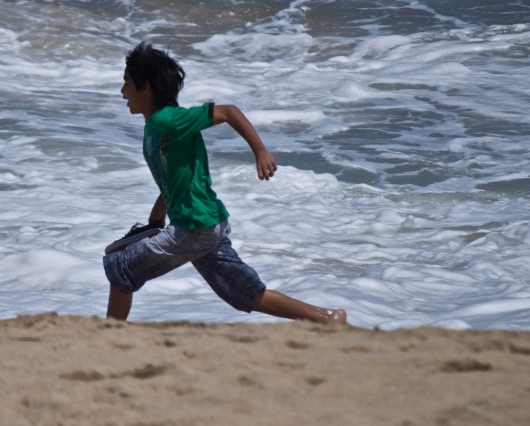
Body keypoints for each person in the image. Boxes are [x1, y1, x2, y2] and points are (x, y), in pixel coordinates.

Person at [103, 42, 347, 325]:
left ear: (145, 88)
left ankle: (110, 334)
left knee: (121, 267)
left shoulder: (172, 119)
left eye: (127, 84)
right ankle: (328, 317)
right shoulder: (156, 125)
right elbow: (177, 170)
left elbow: (229, 112)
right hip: (207, 223)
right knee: (243, 292)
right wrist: (162, 204)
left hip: (194, 227)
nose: (123, 93)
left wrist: (260, 151)